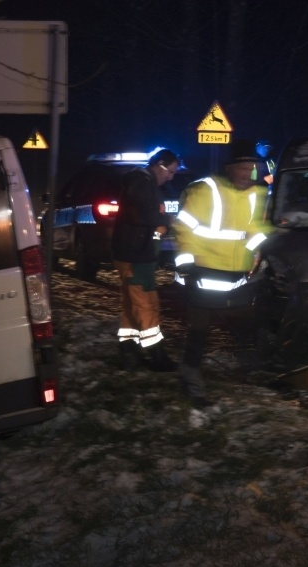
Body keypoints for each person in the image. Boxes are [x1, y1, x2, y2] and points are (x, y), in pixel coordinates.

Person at [173, 139, 272, 406]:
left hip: (237, 275)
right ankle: (191, 379)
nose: (247, 174)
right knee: (199, 330)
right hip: (202, 272)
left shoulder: (259, 194)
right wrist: (186, 264)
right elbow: (184, 229)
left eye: (252, 168)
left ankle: (251, 373)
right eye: (242, 169)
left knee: (243, 325)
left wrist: (254, 253)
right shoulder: (205, 190)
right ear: (229, 168)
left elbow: (259, 230)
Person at [112, 148, 179, 372]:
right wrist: (164, 221)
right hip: (136, 255)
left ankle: (129, 351)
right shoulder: (142, 182)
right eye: (170, 171)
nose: (171, 177)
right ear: (159, 164)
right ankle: (156, 353)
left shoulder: (145, 183)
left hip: (137, 253)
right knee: (146, 303)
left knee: (133, 304)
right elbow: (146, 214)